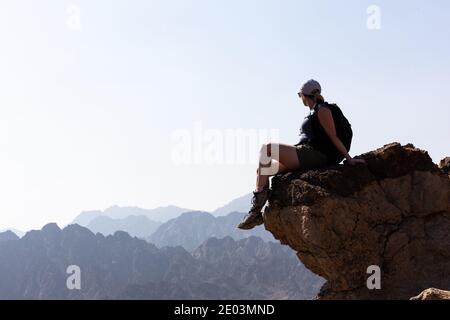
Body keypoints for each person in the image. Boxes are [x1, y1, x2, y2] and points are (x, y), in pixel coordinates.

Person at [238, 79, 367, 230]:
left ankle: (254, 212)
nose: (300, 98)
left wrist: (349, 159)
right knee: (264, 170)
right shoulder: (315, 111)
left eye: (299, 95)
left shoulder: (322, 109)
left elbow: (333, 136)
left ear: (304, 96)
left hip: (316, 155)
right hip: (308, 152)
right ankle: (256, 212)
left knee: (267, 149)